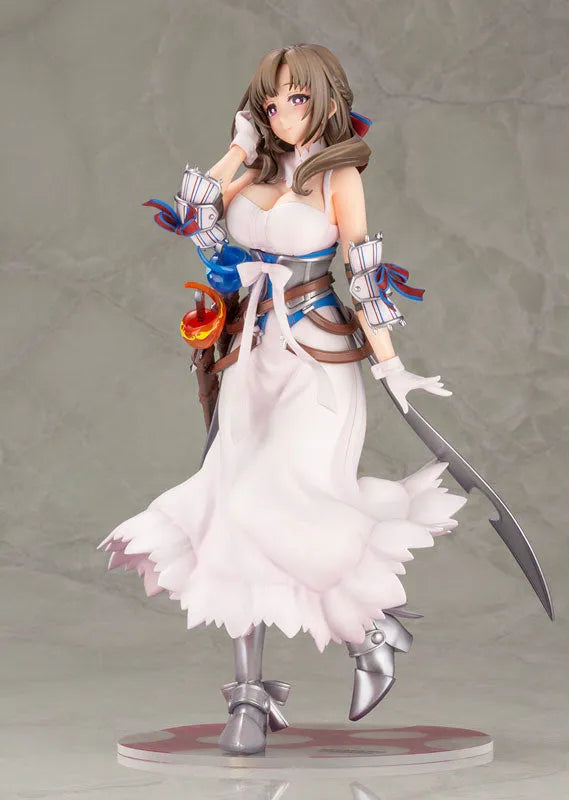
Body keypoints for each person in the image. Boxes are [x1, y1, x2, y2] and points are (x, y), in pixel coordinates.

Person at [97, 43, 466, 756]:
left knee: (269, 506)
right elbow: (194, 216)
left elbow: (363, 273)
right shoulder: (253, 170)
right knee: (226, 512)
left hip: (317, 366)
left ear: (324, 99)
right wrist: (239, 148)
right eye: (271, 102)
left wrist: (393, 369)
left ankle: (371, 628)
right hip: (248, 361)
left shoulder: (339, 176)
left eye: (296, 98)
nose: (282, 114)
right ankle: (249, 696)